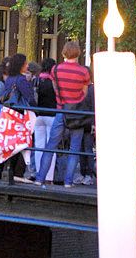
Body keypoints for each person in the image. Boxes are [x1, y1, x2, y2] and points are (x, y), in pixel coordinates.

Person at [34, 40, 91, 188]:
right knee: (74, 148)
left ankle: (40, 178)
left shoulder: (56, 70)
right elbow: (84, 93)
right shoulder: (84, 72)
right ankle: (68, 182)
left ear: (64, 52)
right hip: (77, 113)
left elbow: (55, 88)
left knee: (50, 145)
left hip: (61, 110)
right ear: (78, 53)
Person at [0, 53, 37, 180]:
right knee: (24, 141)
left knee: (11, 141)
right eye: (25, 63)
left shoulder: (10, 79)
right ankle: (18, 172)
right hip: (20, 113)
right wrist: (37, 110)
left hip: (9, 113)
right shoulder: (21, 80)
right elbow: (29, 97)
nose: (27, 65)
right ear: (21, 65)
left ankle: (6, 168)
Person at [30, 58, 58, 183]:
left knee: (39, 145)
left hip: (38, 116)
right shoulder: (54, 82)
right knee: (51, 146)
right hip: (52, 115)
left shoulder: (36, 81)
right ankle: (48, 176)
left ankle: (38, 173)